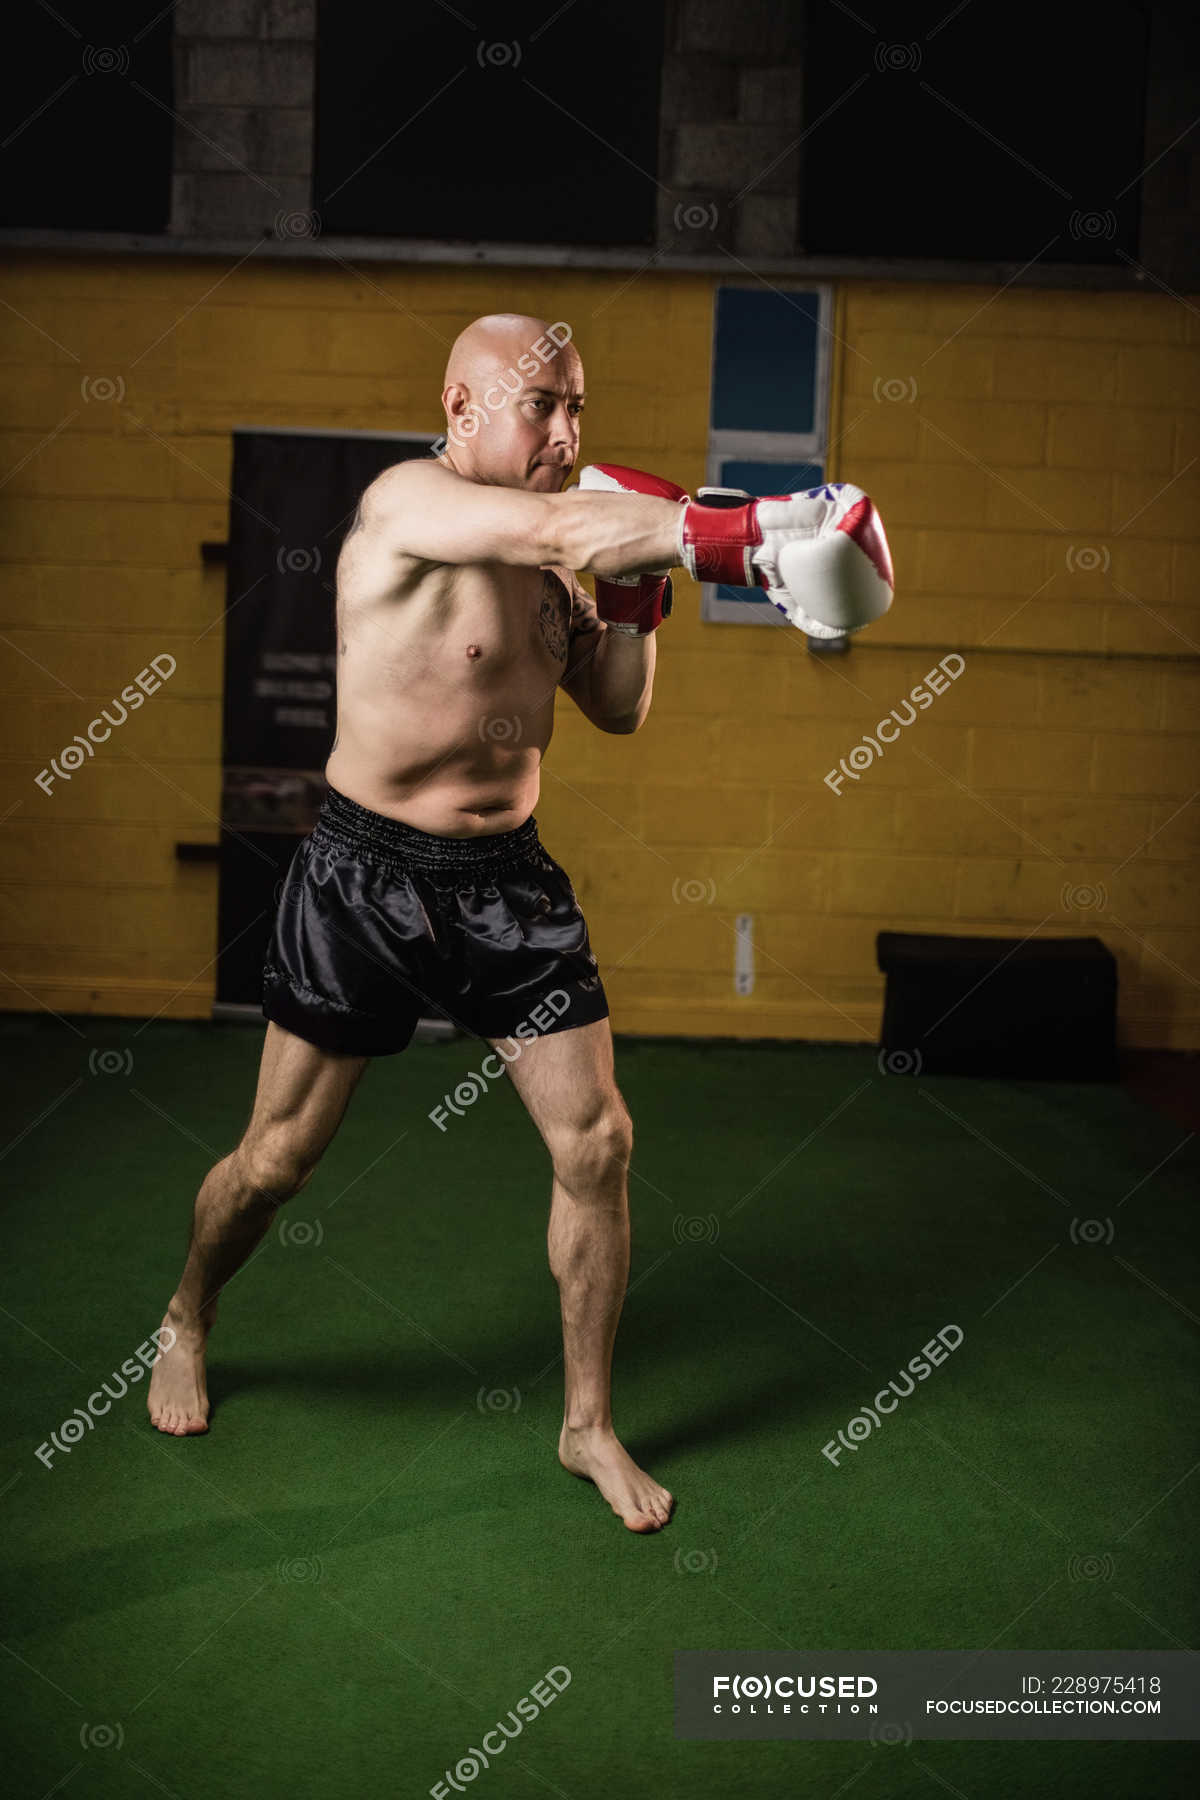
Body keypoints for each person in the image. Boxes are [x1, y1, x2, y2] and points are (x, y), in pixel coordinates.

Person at [147, 311, 891, 1536]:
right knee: (276, 1161)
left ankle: (585, 1422)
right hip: (363, 874)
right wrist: (757, 529)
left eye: (579, 408)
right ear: (460, 409)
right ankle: (187, 1315)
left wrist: (643, 592)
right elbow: (554, 522)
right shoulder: (409, 506)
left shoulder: (563, 560)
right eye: (541, 404)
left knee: (596, 1142)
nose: (568, 432)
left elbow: (614, 708)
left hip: (508, 883)